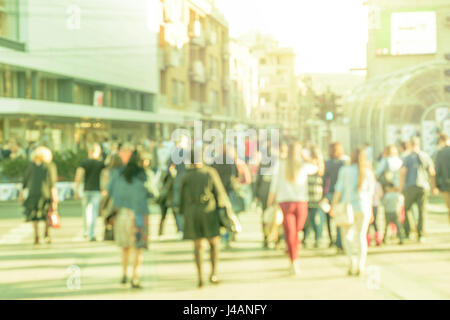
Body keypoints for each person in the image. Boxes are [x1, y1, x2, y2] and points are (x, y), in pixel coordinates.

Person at [179, 150, 232, 288]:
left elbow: (180, 199)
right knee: (213, 243)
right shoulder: (210, 172)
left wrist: (183, 213)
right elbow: (220, 194)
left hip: (192, 212)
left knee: (198, 246)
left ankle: (200, 276)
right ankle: (213, 273)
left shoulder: (185, 177)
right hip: (209, 211)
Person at [267, 140, 318, 275]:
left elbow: (274, 185)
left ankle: (293, 257)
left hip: (287, 202)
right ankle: (294, 260)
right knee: (294, 232)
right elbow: (316, 167)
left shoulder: (290, 165)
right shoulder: (296, 164)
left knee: (292, 232)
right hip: (298, 202)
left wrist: (270, 201)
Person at [107, 150, 150, 289]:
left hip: (121, 213)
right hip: (139, 214)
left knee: (124, 247)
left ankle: (124, 274)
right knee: (138, 248)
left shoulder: (118, 173)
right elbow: (153, 191)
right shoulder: (143, 174)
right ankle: (135, 277)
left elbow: (110, 190)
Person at [332, 147, 375, 276]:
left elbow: (339, 189)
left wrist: (334, 205)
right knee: (361, 236)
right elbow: (370, 193)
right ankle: (361, 265)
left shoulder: (345, 170)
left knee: (346, 237)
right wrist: (371, 210)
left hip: (348, 208)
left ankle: (352, 261)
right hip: (364, 207)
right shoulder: (368, 172)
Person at [399, 136, 436, 243]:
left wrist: (401, 187)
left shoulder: (407, 157)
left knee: (407, 209)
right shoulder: (425, 156)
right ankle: (421, 234)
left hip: (410, 186)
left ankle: (410, 230)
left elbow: (403, 172)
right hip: (423, 187)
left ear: (410, 145)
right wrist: (433, 186)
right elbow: (432, 171)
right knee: (422, 211)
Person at [19, 146, 58, 245]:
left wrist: (21, 193)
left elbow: (24, 181)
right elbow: (52, 183)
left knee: (34, 216)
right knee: (46, 215)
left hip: (33, 194)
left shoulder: (30, 166)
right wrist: (55, 197)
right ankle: (46, 234)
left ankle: (36, 236)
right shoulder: (49, 166)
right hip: (45, 194)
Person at [75, 144, 105, 242]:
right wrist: (104, 189)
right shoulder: (101, 164)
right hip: (97, 190)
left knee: (85, 213)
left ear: (89, 152)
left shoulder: (84, 163)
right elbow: (105, 177)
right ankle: (91, 233)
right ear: (98, 152)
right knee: (94, 213)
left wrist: (76, 189)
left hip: (86, 190)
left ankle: (85, 231)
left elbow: (78, 176)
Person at [323, 142, 348, 250]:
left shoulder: (327, 163)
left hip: (329, 193)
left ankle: (331, 239)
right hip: (340, 194)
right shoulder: (344, 163)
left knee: (329, 218)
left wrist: (323, 195)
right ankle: (339, 241)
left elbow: (324, 180)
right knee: (339, 218)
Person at [303, 145, 325, 248]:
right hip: (315, 196)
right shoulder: (319, 166)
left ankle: (309, 238)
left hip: (312, 197)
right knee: (314, 219)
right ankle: (316, 238)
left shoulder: (315, 167)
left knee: (311, 220)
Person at [434, 133, 450, 224]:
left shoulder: (440, 153)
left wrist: (436, 186)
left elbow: (437, 170)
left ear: (441, 141)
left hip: (445, 185)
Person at [367, 180, 383, 246]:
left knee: (367, 223)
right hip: (376, 204)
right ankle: (378, 239)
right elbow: (381, 194)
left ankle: (367, 240)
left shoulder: (366, 182)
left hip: (367, 205)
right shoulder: (377, 184)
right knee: (375, 222)